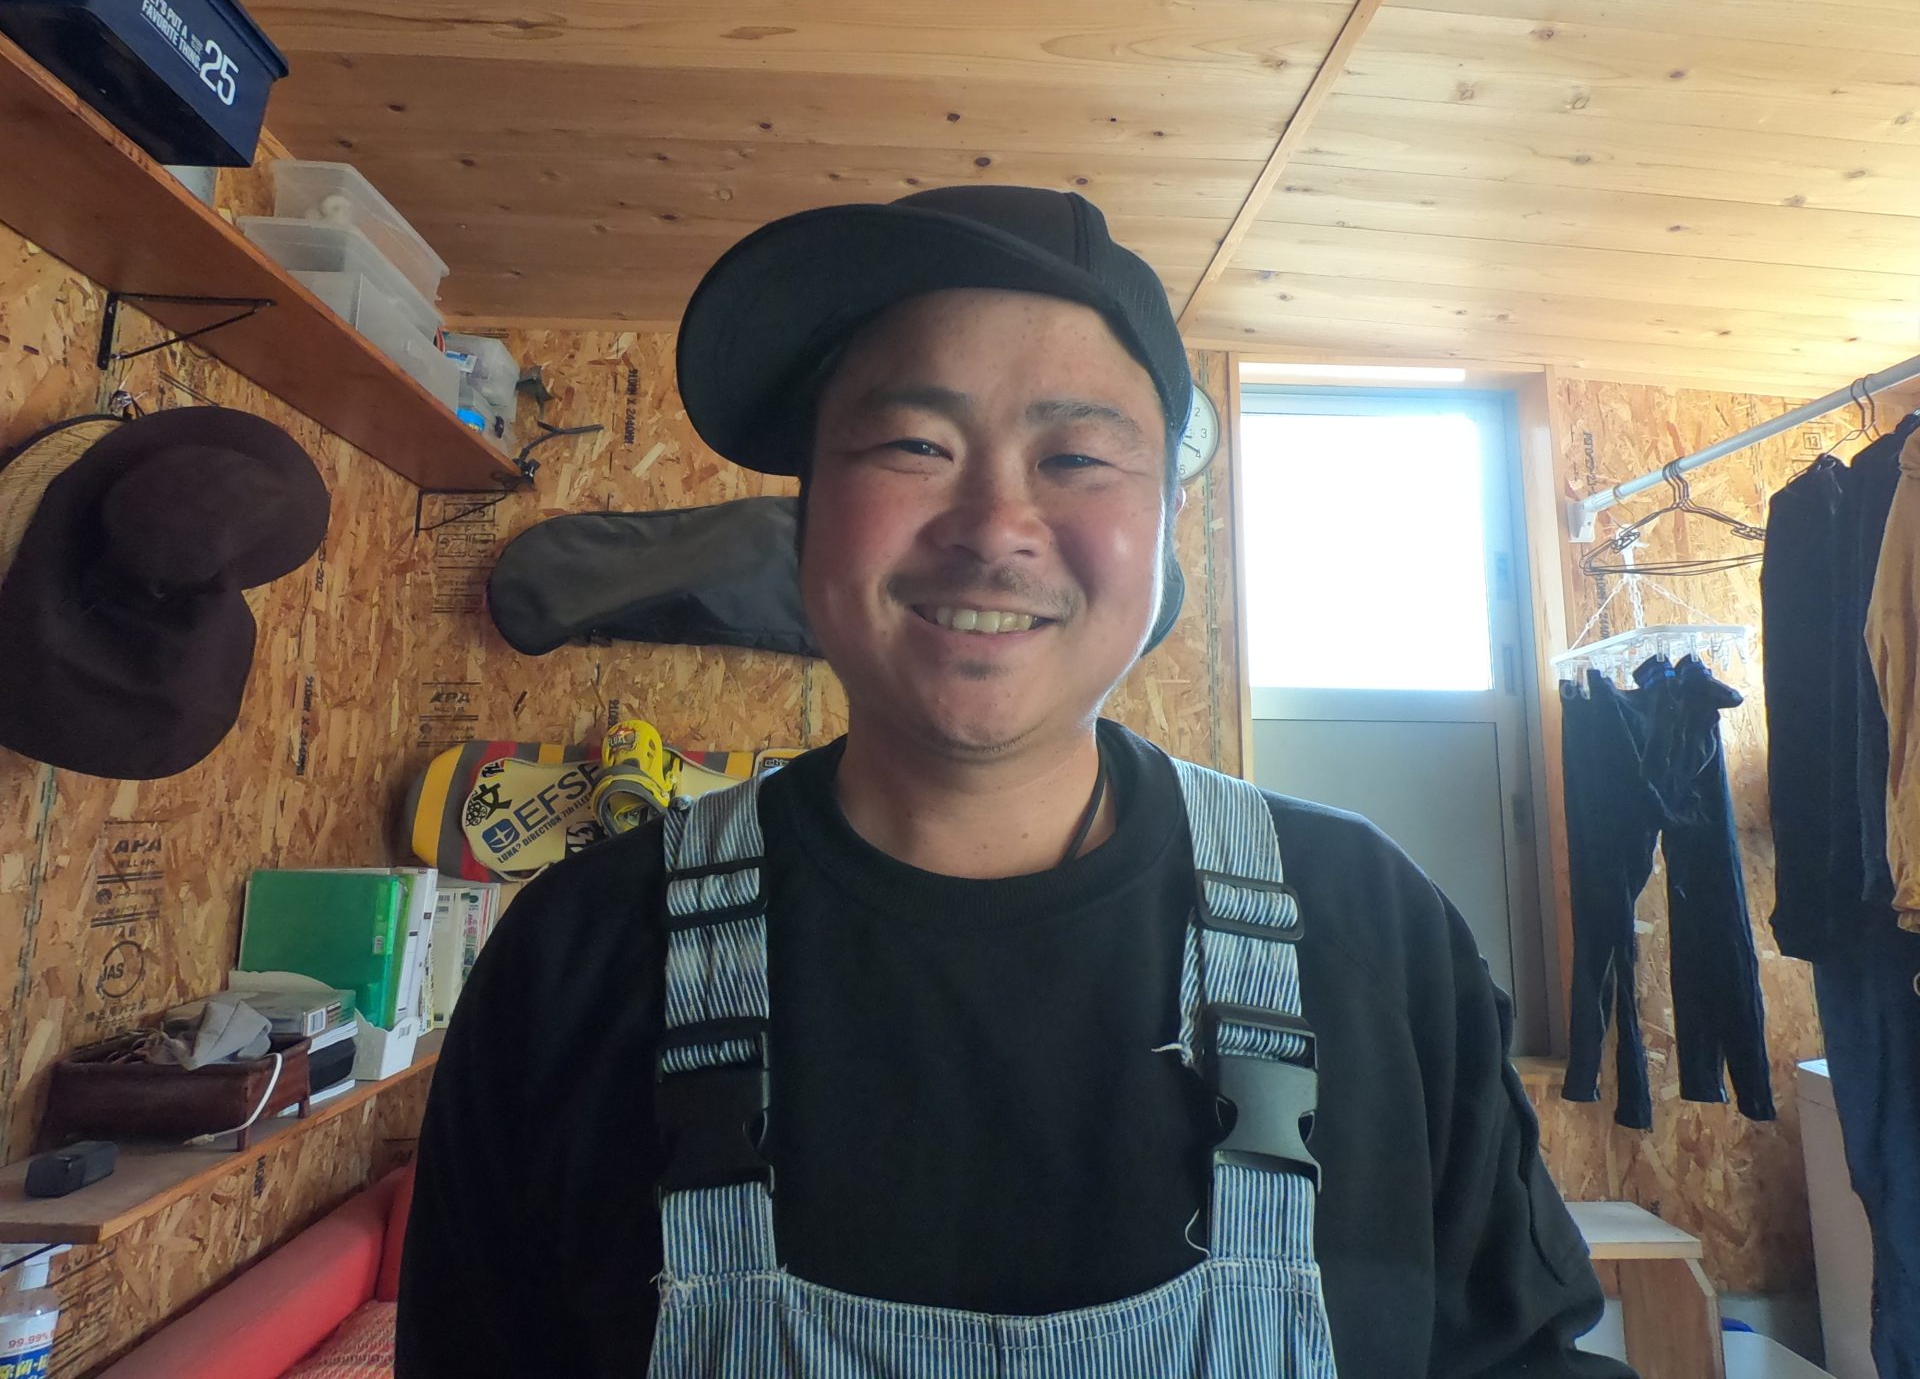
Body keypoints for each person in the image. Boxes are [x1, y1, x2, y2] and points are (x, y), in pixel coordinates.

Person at [397, 187, 1632, 1377]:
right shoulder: (579, 956)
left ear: (1167, 521)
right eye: (914, 444)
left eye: (1079, 455)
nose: (994, 526)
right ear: (810, 506)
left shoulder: (1372, 927)